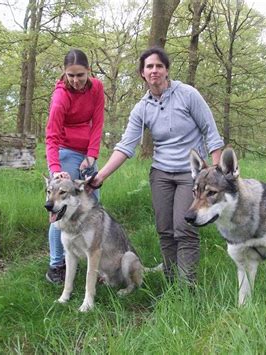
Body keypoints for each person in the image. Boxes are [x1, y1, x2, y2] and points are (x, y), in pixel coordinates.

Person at [89, 47, 224, 284]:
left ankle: (187, 288)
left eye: (158, 66)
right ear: (142, 73)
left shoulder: (188, 94)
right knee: (165, 231)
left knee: (184, 229)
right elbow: (125, 146)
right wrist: (100, 177)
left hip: (189, 174)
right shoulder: (142, 108)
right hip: (161, 173)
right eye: (149, 67)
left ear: (166, 70)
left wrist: (215, 172)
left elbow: (211, 132)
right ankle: (172, 285)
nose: (154, 71)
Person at [45, 49, 105, 284]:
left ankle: (94, 258)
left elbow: (98, 123)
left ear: (88, 71)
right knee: (60, 210)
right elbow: (51, 136)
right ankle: (56, 265)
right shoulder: (60, 97)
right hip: (64, 152)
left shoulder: (97, 88)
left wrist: (91, 157)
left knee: (92, 205)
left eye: (80, 75)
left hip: (87, 152)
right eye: (70, 75)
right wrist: (56, 167)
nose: (76, 80)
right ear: (64, 73)